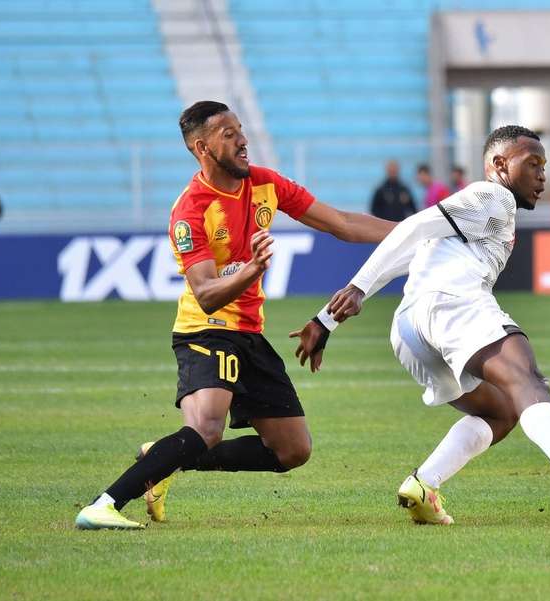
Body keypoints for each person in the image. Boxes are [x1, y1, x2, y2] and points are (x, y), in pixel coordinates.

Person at [291, 125, 550, 525]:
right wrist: (357, 289)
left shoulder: (483, 214)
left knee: (502, 412)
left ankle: (424, 484)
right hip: (451, 305)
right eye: (531, 163)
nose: (542, 175)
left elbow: (413, 246)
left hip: (409, 330)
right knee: (527, 380)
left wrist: (327, 319)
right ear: (499, 165)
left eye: (544, 165)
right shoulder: (492, 196)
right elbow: (413, 227)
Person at [75, 101, 396, 530]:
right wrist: (252, 269)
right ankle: (104, 504)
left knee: (292, 451)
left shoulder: (266, 184)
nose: (244, 140)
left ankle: (165, 457)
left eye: (241, 130)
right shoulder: (190, 210)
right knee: (208, 429)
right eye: (229, 134)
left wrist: (415, 233)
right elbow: (206, 294)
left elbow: (340, 222)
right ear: (203, 148)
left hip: (250, 334)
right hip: (204, 332)